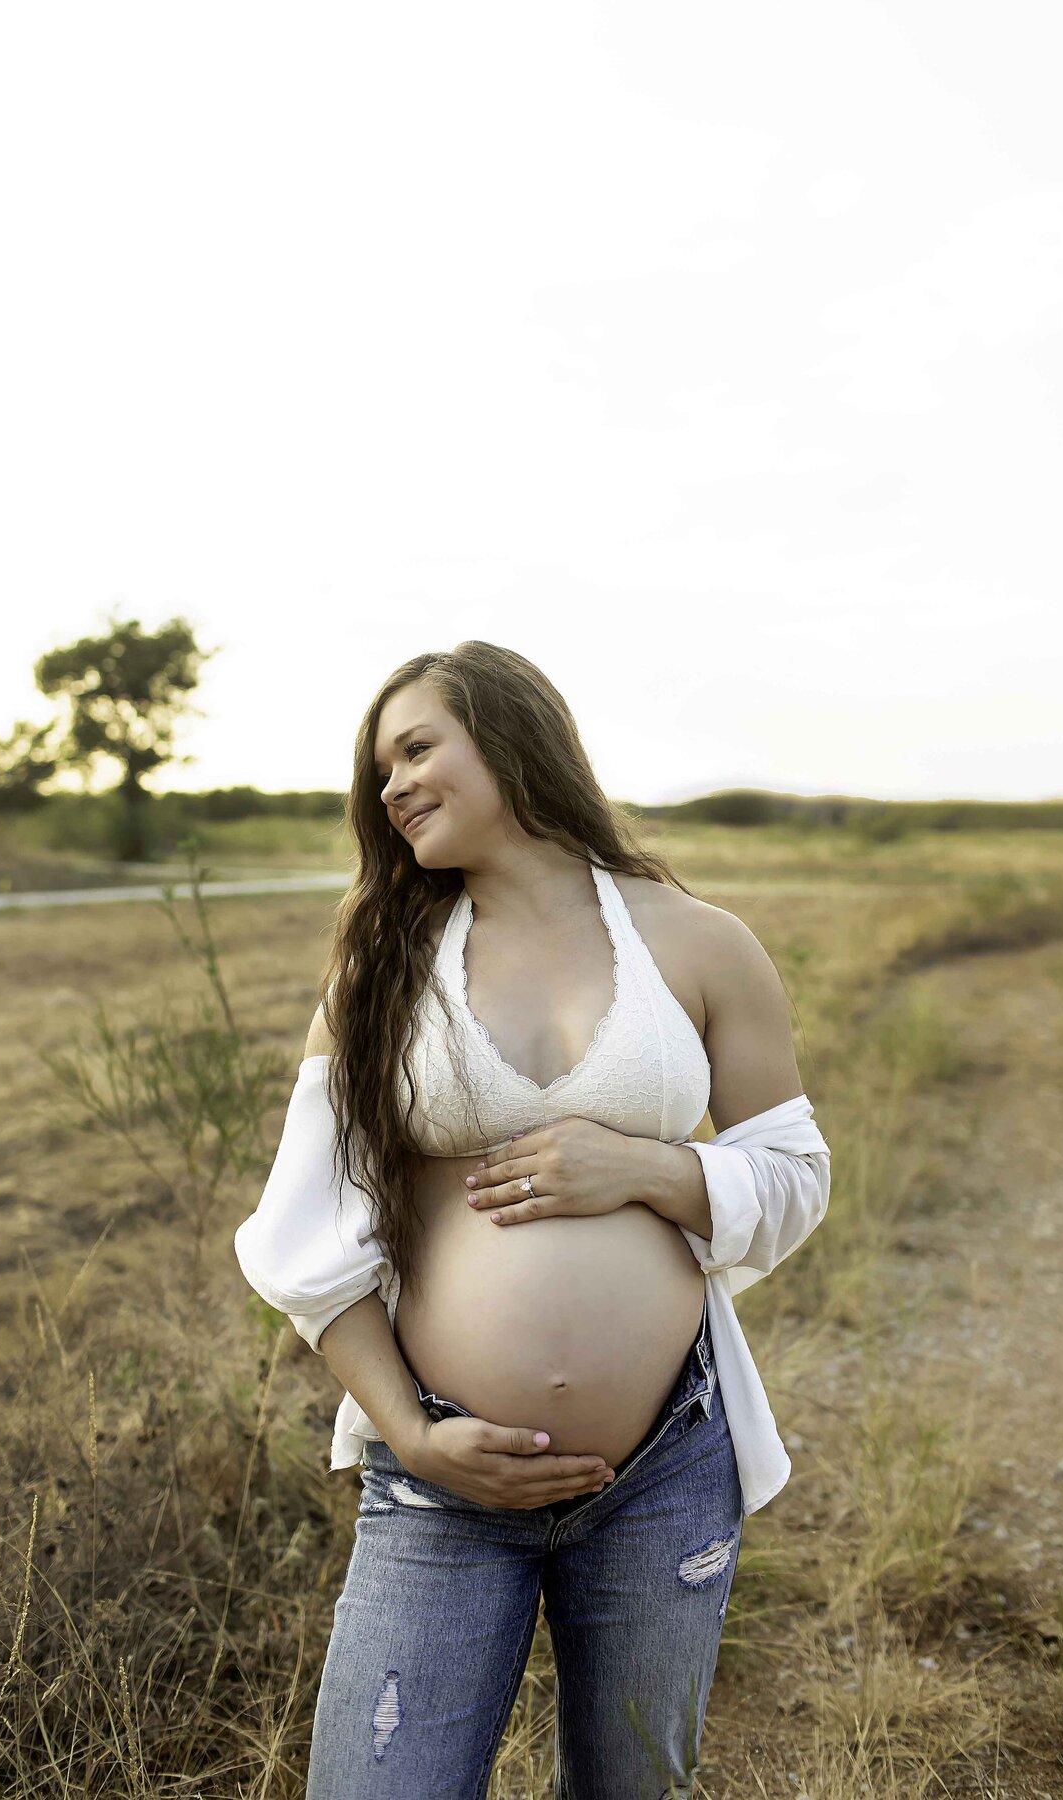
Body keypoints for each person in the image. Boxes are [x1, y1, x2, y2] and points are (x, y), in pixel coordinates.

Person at [234, 640, 831, 1798]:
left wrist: (652, 1169)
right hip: (444, 1475)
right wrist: (410, 1434)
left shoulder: (701, 942)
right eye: (381, 771)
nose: (392, 786)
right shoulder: (378, 967)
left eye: (417, 748)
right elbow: (307, 1243)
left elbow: (796, 1175)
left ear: (511, 737)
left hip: (664, 1464)